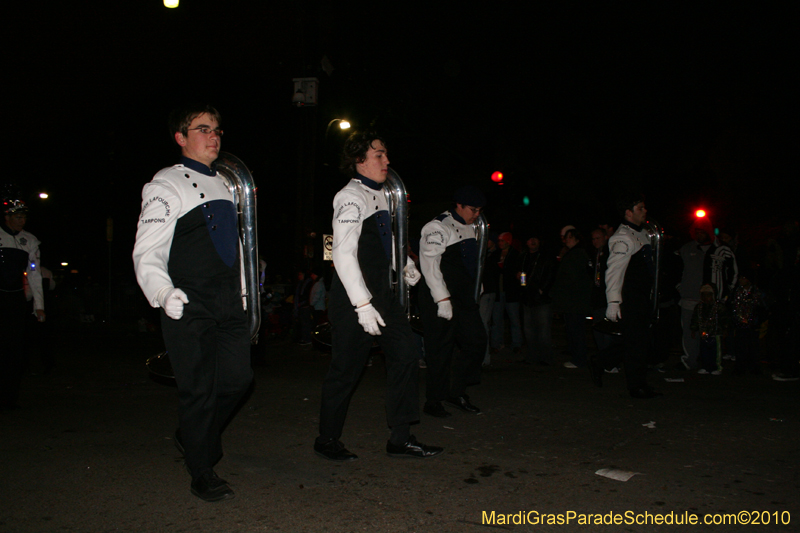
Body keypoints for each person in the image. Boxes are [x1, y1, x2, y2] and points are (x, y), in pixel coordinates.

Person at [132, 104, 253, 502]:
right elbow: (146, 250)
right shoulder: (166, 183)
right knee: (198, 390)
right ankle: (201, 470)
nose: (213, 135)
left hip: (228, 301)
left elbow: (234, 246)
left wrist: (245, 290)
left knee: (238, 380)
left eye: (217, 129)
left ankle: (192, 434)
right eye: (203, 129)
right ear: (181, 138)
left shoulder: (226, 184)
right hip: (188, 300)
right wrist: (163, 292)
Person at [314, 131, 442, 461]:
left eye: (386, 154)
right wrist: (362, 304)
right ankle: (327, 439)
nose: (387, 160)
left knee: (406, 355)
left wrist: (405, 265)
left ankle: (400, 437)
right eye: (379, 155)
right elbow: (343, 253)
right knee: (346, 370)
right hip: (354, 300)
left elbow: (386, 241)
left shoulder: (382, 194)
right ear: (359, 160)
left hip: (383, 296)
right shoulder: (350, 196)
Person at [418, 186, 488, 418]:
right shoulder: (437, 227)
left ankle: (455, 391)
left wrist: (476, 284)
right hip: (439, 296)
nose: (476, 214)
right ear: (459, 205)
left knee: (476, 341)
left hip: (463, 296)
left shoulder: (472, 227)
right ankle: (434, 400)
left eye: (479, 210)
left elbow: (470, 261)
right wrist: (442, 299)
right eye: (473, 209)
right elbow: (429, 264)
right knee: (439, 348)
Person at [597, 192, 661, 398]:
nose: (645, 211)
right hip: (630, 298)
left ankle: (600, 361)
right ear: (628, 213)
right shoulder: (622, 237)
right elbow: (614, 272)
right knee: (636, 344)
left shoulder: (642, 234)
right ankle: (636, 386)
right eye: (640, 208)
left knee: (639, 341)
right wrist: (613, 302)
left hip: (642, 296)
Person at [1, 196, 45, 409]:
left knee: (15, 348)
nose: (22, 221)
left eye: (24, 217)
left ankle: (9, 397)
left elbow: (34, 274)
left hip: (16, 298)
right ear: (7, 217)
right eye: (18, 217)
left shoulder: (30, 240)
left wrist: (39, 306)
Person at [677, 214, 738, 370]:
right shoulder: (687, 249)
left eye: (702, 232)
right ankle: (690, 361)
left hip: (711, 300)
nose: (699, 235)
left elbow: (732, 271)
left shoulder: (720, 249)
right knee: (690, 331)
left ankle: (711, 363)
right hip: (689, 297)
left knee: (711, 333)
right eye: (696, 232)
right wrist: (679, 287)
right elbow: (676, 269)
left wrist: (726, 292)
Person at [550, 228, 592, 368]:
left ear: (576, 239)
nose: (566, 240)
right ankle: (576, 356)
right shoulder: (573, 253)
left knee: (576, 329)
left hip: (574, 300)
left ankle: (579, 359)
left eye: (569, 237)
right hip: (572, 299)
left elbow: (572, 277)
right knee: (572, 328)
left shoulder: (577, 254)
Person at [519, 236, 556, 365]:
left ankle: (546, 357)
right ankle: (532, 356)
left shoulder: (546, 257)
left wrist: (542, 290)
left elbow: (551, 274)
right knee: (529, 331)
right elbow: (521, 274)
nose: (533, 241)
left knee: (543, 330)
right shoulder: (524, 257)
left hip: (541, 299)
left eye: (535, 239)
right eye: (530, 239)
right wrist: (522, 284)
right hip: (527, 298)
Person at [489, 232, 523, 354]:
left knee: (514, 319)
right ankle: (496, 343)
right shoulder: (496, 254)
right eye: (499, 241)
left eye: (502, 241)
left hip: (511, 292)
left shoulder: (516, 254)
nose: (500, 243)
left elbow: (521, 272)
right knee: (497, 320)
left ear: (508, 241)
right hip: (498, 292)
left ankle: (516, 343)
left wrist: (522, 286)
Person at [690, 284, 728, 375]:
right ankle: (705, 366)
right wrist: (693, 329)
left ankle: (717, 367)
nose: (706, 297)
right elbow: (695, 319)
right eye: (703, 295)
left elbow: (725, 319)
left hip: (716, 333)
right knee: (704, 351)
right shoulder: (699, 307)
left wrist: (725, 329)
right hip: (703, 333)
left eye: (708, 295)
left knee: (716, 351)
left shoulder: (719, 307)